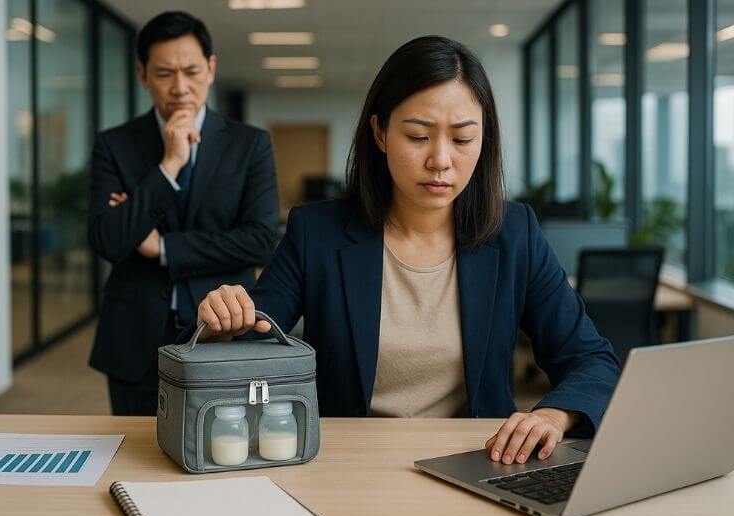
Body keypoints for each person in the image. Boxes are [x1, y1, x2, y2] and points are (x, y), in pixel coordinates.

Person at [194, 36, 620, 465]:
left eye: (462, 139)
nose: (440, 159)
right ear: (379, 132)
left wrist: (553, 413)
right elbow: (249, 353)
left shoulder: (514, 234)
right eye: (418, 136)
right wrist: (222, 327)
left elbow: (590, 358)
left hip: (480, 462)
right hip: (345, 463)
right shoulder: (316, 233)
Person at [87, 11, 279, 416]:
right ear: (142, 74)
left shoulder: (251, 145)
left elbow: (260, 239)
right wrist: (169, 165)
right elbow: (109, 240)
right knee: (131, 452)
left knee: (220, 442)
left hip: (222, 329)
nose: (179, 87)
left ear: (210, 68)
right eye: (163, 74)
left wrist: (162, 247)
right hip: (134, 334)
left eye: (191, 71)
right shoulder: (114, 145)